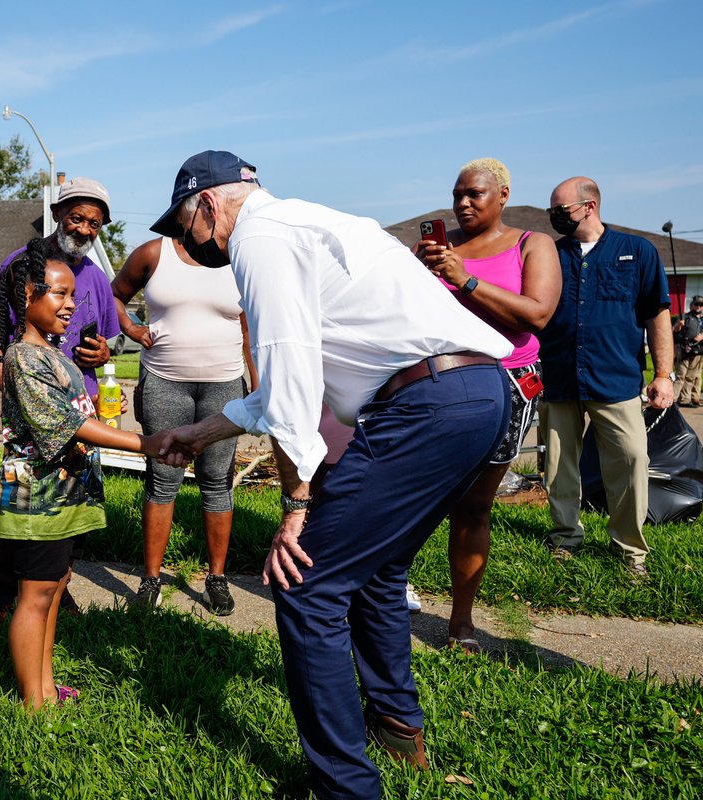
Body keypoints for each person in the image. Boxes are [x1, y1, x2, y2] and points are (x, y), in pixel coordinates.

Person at [150, 151, 513, 800]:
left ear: (209, 205)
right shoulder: (302, 224)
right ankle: (398, 729)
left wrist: (298, 505)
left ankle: (343, 787)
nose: (185, 244)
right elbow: (280, 393)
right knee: (376, 572)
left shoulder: (258, 240)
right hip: (478, 392)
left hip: (425, 405)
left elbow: (288, 377)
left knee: (303, 583)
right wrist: (199, 433)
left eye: (184, 227)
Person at [0, 237, 171, 708]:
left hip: (66, 494)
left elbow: (80, 413)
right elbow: (66, 425)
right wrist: (145, 443)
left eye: (73, 294)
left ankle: (46, 686)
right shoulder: (22, 358)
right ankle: (34, 702)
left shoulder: (56, 354)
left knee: (53, 591)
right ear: (28, 293)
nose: (72, 304)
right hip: (38, 497)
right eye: (59, 294)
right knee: (33, 597)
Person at [414, 159, 560, 652]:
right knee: (414, 498)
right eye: (457, 195)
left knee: (474, 508)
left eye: (475, 194)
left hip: (508, 382)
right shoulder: (442, 248)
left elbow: (536, 314)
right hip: (439, 379)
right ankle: (389, 597)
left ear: (503, 194)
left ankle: (461, 621)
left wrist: (465, 279)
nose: (463, 204)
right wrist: (415, 273)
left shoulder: (531, 244)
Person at [0, 177, 121, 622]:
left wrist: (103, 353)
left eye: (94, 224)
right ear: (58, 214)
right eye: (77, 218)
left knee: (69, 507)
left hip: (79, 409)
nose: (83, 230)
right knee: (24, 505)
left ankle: (58, 585)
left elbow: (111, 342)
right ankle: (5, 593)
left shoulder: (97, 279)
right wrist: (13, 386)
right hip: (32, 406)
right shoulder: (20, 265)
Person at [111, 237, 257, 614]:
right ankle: (151, 579)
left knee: (217, 480)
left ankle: (217, 579)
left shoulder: (237, 256)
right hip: (164, 381)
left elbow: (247, 329)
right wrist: (132, 328)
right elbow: (115, 296)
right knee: (162, 478)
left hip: (224, 385)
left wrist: (258, 385)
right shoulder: (153, 253)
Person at [538, 177, 674, 579]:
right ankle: (565, 538)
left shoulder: (637, 252)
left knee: (631, 459)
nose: (555, 218)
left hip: (615, 380)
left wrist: (663, 374)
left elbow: (657, 315)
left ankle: (631, 551)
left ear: (589, 206)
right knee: (558, 465)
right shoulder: (550, 254)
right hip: (559, 378)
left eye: (561, 211)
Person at [674, 295, 703, 407]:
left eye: (701, 305)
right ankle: (672, 399)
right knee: (680, 375)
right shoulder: (684, 317)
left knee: (691, 377)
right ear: (692, 305)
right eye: (696, 304)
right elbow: (674, 331)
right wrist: (678, 325)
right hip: (683, 349)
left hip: (698, 350)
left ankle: (685, 400)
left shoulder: (702, 319)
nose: (699, 307)